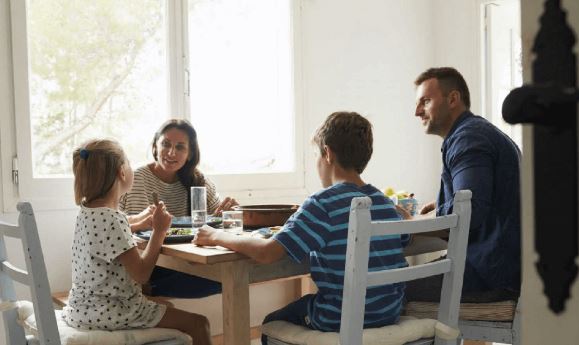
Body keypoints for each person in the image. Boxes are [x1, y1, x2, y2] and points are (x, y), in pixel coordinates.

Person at [193, 111, 410, 344]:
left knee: (270, 323)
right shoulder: (384, 203)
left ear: (327, 153)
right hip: (389, 312)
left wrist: (217, 235)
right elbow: (406, 235)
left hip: (338, 317)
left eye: (316, 155)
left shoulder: (323, 203)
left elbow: (268, 252)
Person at [63, 139, 212, 345]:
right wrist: (159, 231)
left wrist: (140, 221)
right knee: (200, 324)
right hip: (112, 311)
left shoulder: (88, 211)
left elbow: (109, 232)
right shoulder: (113, 220)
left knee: (166, 305)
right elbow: (142, 274)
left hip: (83, 308)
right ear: (121, 173)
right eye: (128, 163)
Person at [405, 67, 521, 302]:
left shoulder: (468, 138)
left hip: (488, 274)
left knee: (381, 292)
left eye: (425, 101)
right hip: (501, 268)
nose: (417, 111)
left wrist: (410, 223)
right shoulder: (477, 133)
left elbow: (470, 211)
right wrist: (441, 206)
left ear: (453, 99)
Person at [119, 119, 231, 298]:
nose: (171, 152)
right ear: (155, 146)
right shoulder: (136, 179)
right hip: (145, 268)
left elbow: (219, 214)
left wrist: (229, 210)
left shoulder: (197, 180)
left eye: (180, 147)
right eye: (165, 144)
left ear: (190, 153)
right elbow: (113, 225)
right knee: (229, 281)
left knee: (231, 278)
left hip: (188, 264)